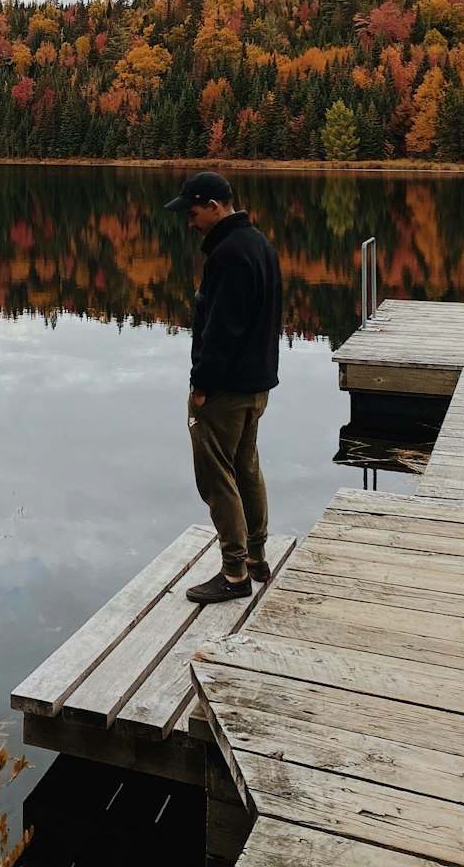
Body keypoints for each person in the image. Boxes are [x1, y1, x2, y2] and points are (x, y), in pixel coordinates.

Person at [165, 171, 282, 603]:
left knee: (217, 477)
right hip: (255, 386)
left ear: (214, 206)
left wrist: (201, 386)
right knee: (246, 468)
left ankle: (233, 573)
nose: (190, 223)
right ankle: (256, 556)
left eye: (194, 214)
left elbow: (222, 331)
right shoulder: (260, 245)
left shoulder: (229, 255)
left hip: (225, 390)